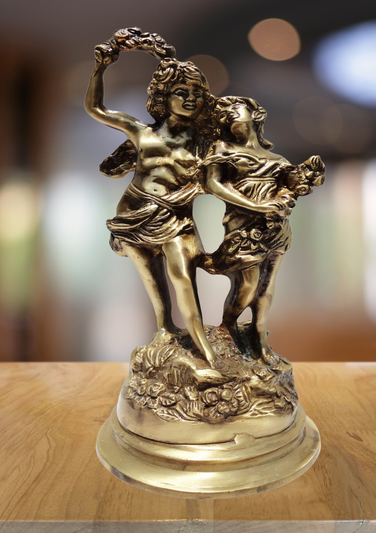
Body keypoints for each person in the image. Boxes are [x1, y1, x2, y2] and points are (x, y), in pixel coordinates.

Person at [85, 38, 219, 368]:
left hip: (177, 216)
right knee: (153, 282)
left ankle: (204, 349)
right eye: (181, 92)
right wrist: (100, 68)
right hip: (134, 215)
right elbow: (97, 109)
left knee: (183, 277)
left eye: (196, 93)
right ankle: (166, 330)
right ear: (163, 97)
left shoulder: (205, 141)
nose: (190, 99)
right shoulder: (142, 133)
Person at [203, 96, 324, 365]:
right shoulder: (222, 149)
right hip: (244, 229)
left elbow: (292, 188)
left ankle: (259, 336)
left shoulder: (277, 159)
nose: (229, 115)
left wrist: (305, 179)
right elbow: (213, 184)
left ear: (255, 115)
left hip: (277, 230)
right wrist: (256, 206)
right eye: (224, 114)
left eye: (235, 109)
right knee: (247, 286)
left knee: (267, 288)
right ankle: (227, 327)